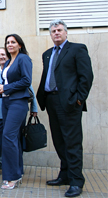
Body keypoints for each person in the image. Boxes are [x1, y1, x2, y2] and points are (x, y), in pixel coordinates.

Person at [37, 19, 93, 197]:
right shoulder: (47, 53)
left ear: (66, 32)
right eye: (53, 31)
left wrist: (78, 100)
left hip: (69, 103)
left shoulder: (77, 49)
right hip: (52, 102)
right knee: (59, 141)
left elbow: (86, 77)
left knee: (72, 143)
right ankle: (65, 174)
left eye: (59, 30)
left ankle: (77, 181)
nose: (56, 33)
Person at [0, 47, 38, 176]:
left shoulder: (16, 69)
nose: (1, 57)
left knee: (15, 139)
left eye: (3, 54)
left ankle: (17, 169)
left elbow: (30, 89)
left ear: (8, 56)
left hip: (16, 109)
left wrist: (34, 108)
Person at [0, 34, 32, 189]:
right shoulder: (9, 61)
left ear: (19, 45)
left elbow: (26, 80)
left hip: (18, 102)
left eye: (13, 42)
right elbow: (8, 81)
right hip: (6, 101)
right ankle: (18, 173)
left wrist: (6, 87)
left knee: (8, 136)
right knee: (14, 137)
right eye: (7, 42)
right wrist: (1, 88)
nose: (9, 44)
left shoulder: (23, 59)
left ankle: (12, 177)